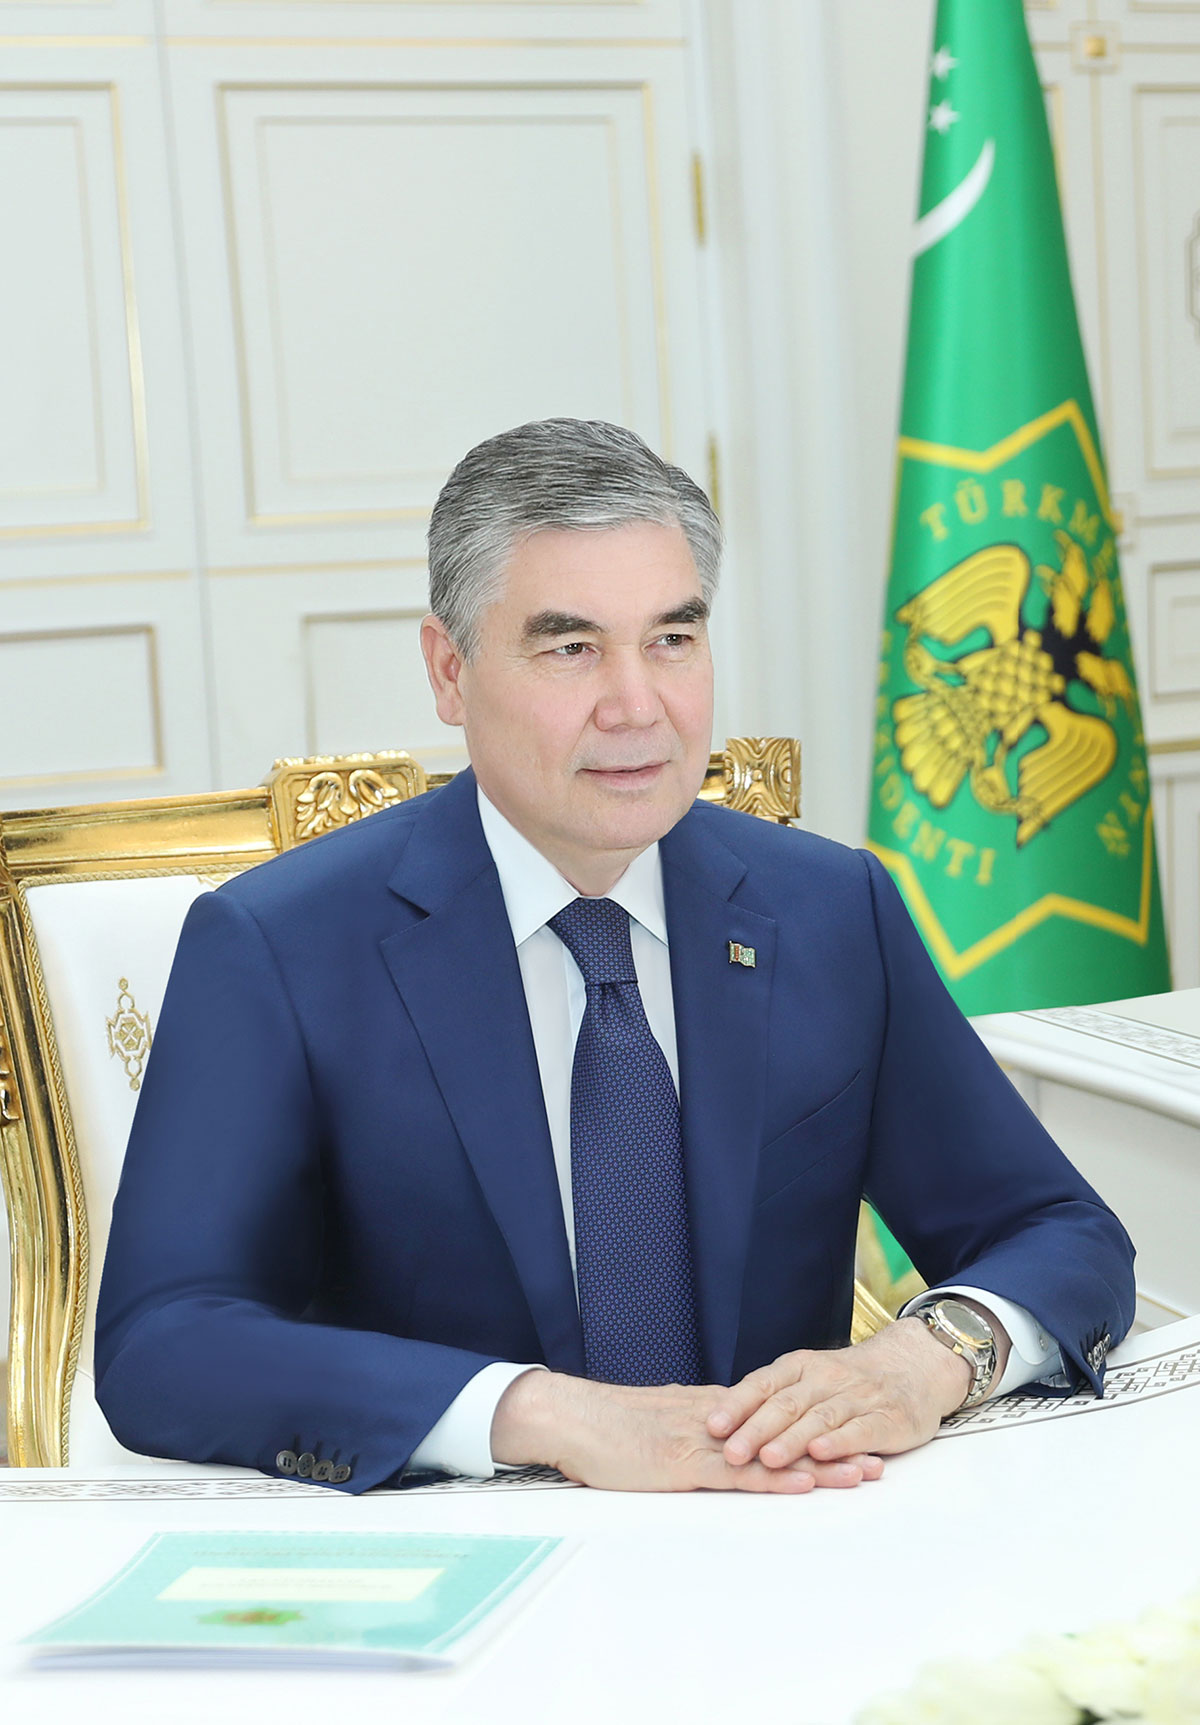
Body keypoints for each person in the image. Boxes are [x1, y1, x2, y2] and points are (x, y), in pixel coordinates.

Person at [95, 419, 1134, 1495]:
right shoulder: (281, 946)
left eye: (673, 639)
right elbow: (162, 1341)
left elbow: (1060, 1230)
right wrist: (534, 1412)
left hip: (787, 1529)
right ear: (449, 672)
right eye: (571, 649)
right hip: (465, 1546)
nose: (638, 708)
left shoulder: (829, 909)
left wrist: (930, 1357)